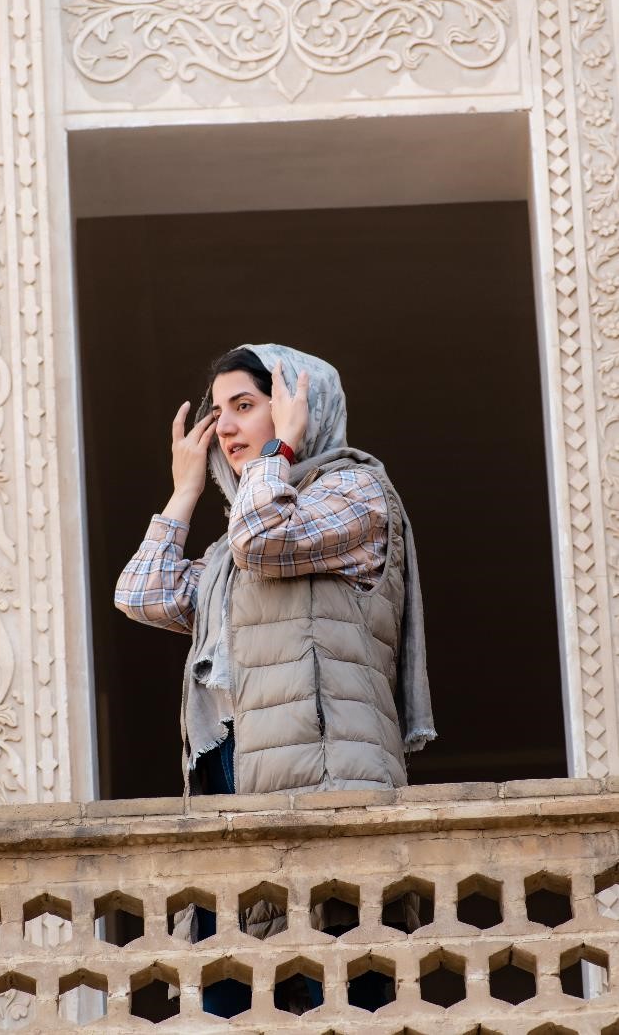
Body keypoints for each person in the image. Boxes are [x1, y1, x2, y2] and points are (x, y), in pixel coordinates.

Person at [115, 344, 435, 1013]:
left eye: (246, 406)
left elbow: (265, 537)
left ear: (298, 405)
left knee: (342, 999)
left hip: (326, 788)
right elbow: (141, 594)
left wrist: (279, 451)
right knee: (237, 1004)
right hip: (239, 782)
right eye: (217, 413)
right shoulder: (229, 553)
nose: (225, 428)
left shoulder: (355, 493)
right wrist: (183, 491)